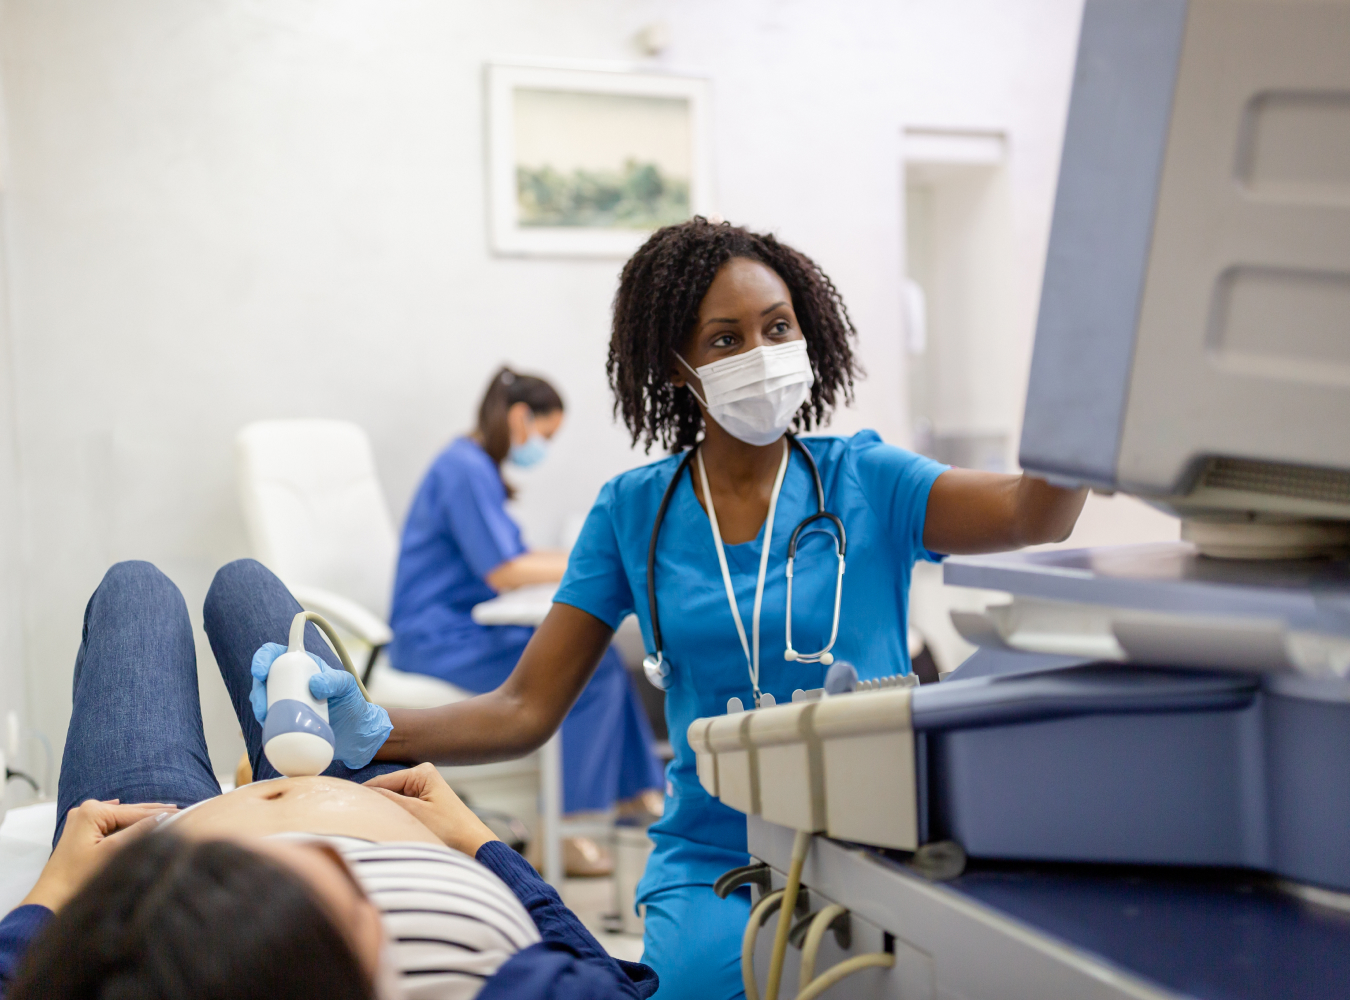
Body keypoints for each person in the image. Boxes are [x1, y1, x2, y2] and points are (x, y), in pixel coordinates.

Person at [258, 218, 1088, 1000]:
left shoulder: (871, 480)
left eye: (777, 327)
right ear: (678, 368)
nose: (760, 354)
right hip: (716, 857)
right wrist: (367, 725)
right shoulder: (633, 512)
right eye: (725, 340)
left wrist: (1085, 373)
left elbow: (1032, 513)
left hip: (882, 843)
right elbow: (523, 707)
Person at [0, 559, 657, 1000]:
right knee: (244, 585)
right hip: (378, 809)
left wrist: (55, 891)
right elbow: (607, 982)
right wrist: (475, 841)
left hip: (156, 851)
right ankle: (252, 769)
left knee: (136, 590)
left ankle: (246, 774)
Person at [389, 368, 665, 860]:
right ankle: (563, 832)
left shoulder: (476, 468)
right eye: (545, 434)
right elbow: (505, 570)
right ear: (520, 417)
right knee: (586, 667)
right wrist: (597, 557)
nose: (544, 448)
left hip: (460, 627)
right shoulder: (464, 467)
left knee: (599, 658)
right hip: (436, 637)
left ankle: (636, 799)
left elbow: (515, 560)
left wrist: (590, 559)